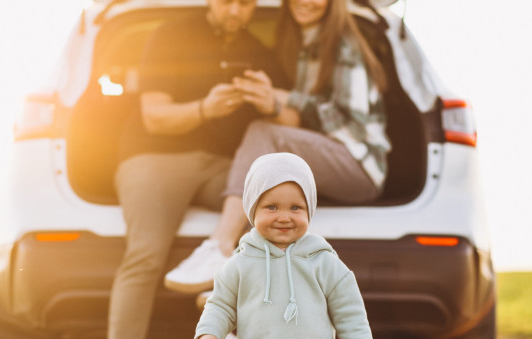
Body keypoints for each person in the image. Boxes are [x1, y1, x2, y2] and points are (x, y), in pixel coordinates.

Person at [102, 0, 287, 339]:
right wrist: (205, 108)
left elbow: (287, 117)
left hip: (222, 167)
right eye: (226, 2)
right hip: (154, 159)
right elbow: (154, 116)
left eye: (245, 4)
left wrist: (268, 102)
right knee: (145, 256)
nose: (235, 11)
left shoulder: (260, 53)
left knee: (270, 212)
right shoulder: (169, 35)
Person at [164, 0, 390, 294]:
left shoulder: (343, 45)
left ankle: (219, 245)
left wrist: (283, 98)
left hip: (359, 164)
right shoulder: (299, 43)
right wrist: (266, 97)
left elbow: (352, 122)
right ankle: (237, 284)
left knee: (263, 133)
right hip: (325, 159)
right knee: (269, 187)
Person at [194, 153, 376, 339]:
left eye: (295, 208)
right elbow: (220, 305)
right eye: (271, 207)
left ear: (309, 210)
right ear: (252, 210)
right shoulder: (240, 263)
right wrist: (209, 332)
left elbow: (351, 315)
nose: (284, 217)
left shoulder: (324, 262)